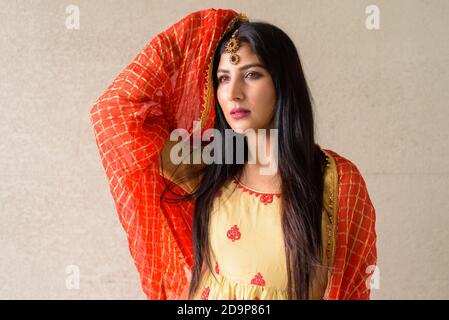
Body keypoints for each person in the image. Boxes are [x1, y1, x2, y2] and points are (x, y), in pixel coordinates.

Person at [89, 8, 377, 300]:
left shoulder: (336, 181)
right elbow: (114, 112)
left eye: (251, 74)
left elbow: (352, 289)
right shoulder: (209, 166)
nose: (233, 93)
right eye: (223, 78)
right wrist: (203, 31)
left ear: (284, 83)